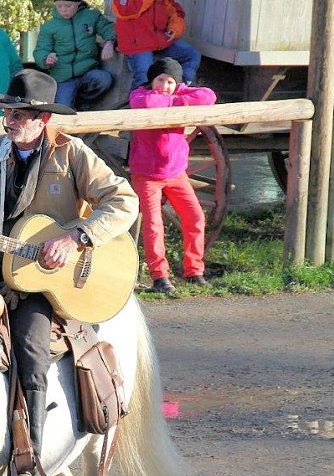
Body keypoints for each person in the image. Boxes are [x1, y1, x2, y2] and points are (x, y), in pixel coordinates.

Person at [0, 69, 138, 476]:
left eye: (20, 115)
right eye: (7, 112)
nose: (9, 120)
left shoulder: (72, 154)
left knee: (30, 348)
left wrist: (78, 237)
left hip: (38, 284)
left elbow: (124, 201)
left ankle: (31, 463)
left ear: (43, 119)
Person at [129, 57, 215, 293]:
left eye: (170, 82)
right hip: (147, 174)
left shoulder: (178, 92)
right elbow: (147, 103)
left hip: (176, 173)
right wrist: (176, 103)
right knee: (154, 225)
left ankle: (194, 271)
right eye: (160, 80)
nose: (164, 86)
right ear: (151, 80)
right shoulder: (140, 94)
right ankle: (160, 277)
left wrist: (175, 99)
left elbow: (208, 96)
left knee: (195, 217)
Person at [33, 0, 116, 109]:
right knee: (63, 109)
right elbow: (41, 49)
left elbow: (108, 28)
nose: (63, 10)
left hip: (87, 71)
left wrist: (110, 42)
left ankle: (81, 102)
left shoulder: (91, 16)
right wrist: (45, 59)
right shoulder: (49, 26)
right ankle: (73, 100)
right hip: (63, 78)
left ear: (78, 3)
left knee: (104, 79)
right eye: (59, 6)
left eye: (68, 5)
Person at [111, 0, 201, 90]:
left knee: (192, 55)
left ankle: (178, 89)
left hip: (159, 41)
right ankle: (138, 98)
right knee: (144, 77)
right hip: (137, 45)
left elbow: (176, 13)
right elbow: (127, 11)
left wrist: (175, 28)